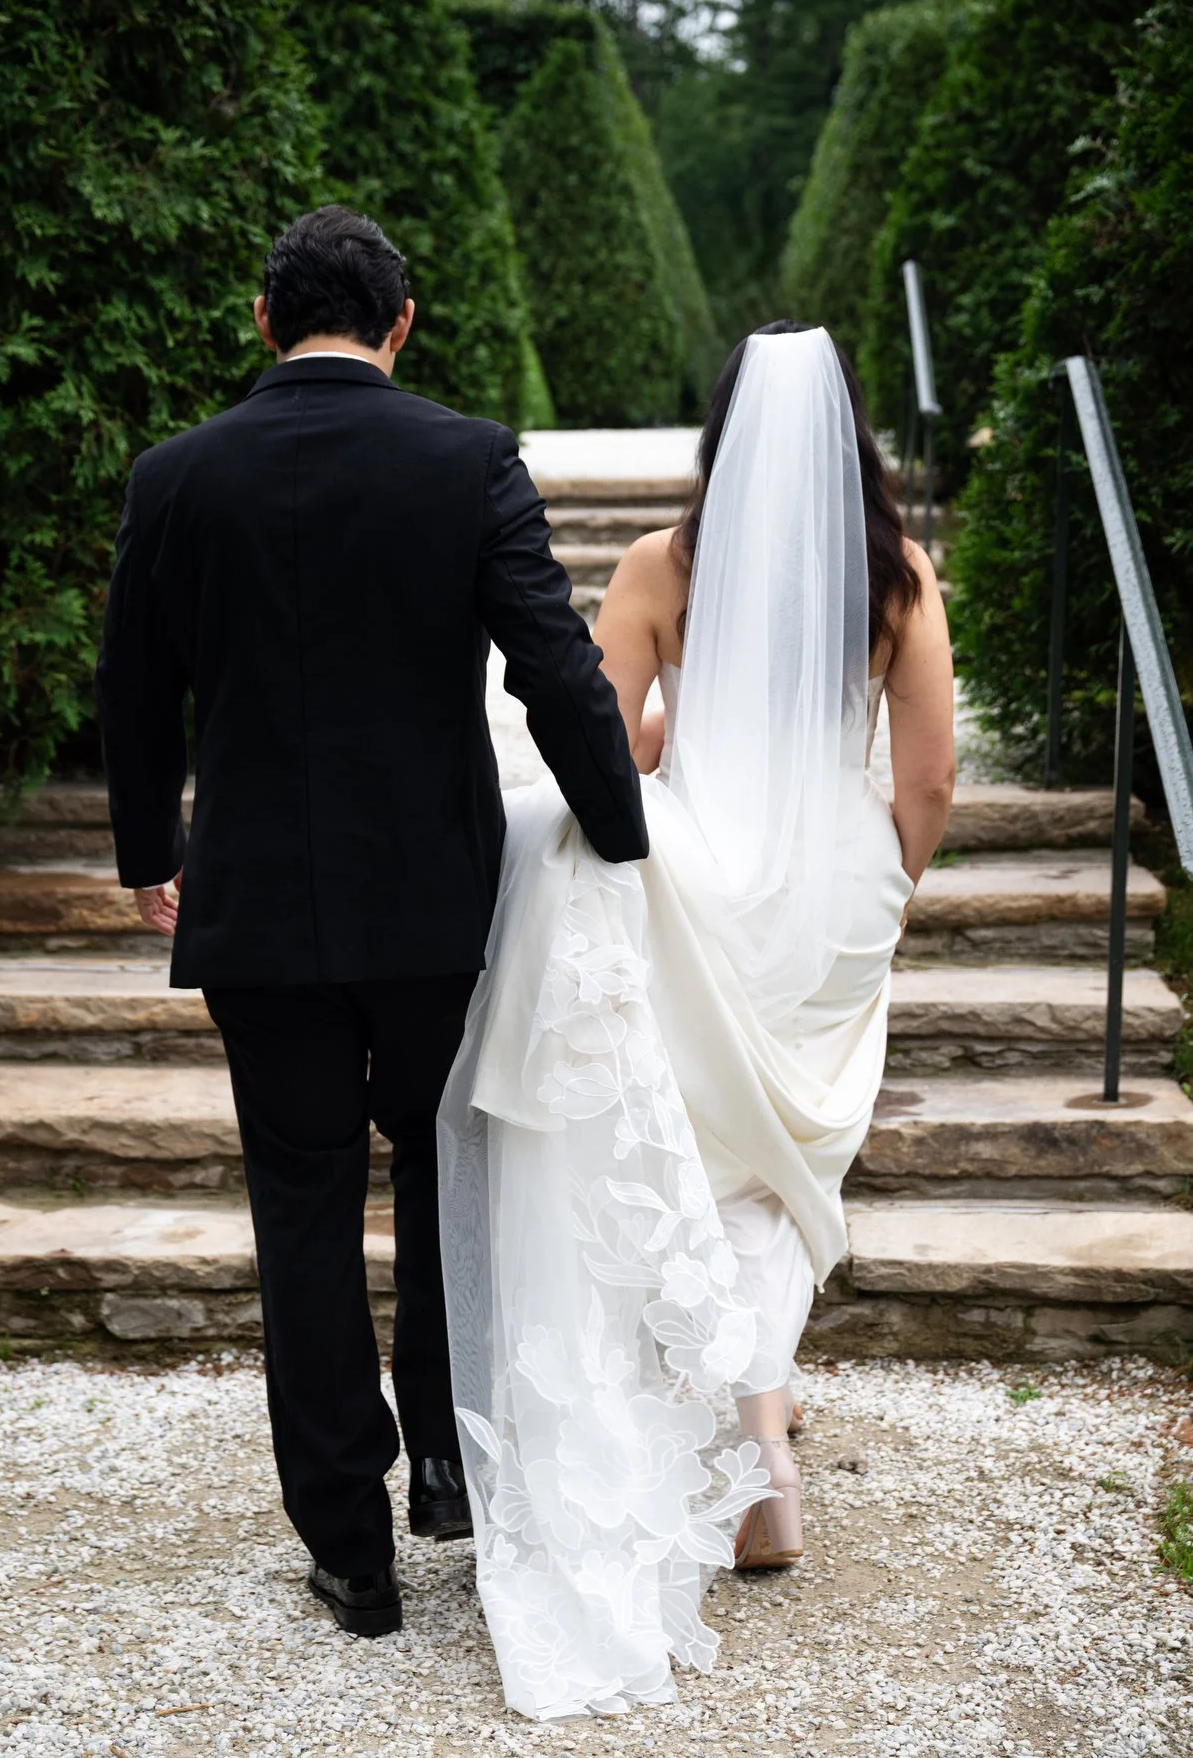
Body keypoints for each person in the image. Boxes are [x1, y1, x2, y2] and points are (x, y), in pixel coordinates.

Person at [94, 205, 648, 1641]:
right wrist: (622, 834)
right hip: (436, 908)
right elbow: (556, 669)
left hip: (259, 909)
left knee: (300, 1213)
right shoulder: (466, 460)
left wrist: (149, 852)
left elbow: (136, 695)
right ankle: (454, 1480)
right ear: (400, 324)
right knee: (445, 1187)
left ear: (263, 320)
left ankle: (348, 1552)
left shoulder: (173, 478)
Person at [437, 323, 955, 1718]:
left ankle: (748, 1457)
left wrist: (674, 753)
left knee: (703, 1152)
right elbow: (927, 776)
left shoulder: (662, 566)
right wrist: (884, 893)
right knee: (787, 1167)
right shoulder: (896, 576)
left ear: (721, 431)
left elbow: (599, 734)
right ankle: (766, 1465)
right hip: (829, 901)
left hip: (696, 889)